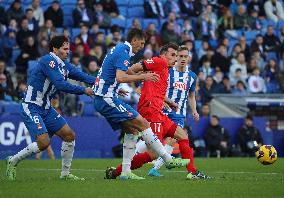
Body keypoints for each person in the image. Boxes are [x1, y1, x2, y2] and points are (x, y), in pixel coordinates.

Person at [93, 29, 189, 180]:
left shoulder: (163, 68)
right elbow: (125, 73)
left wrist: (167, 100)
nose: (142, 47)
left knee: (135, 130)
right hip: (136, 105)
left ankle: (125, 172)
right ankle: (167, 160)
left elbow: (125, 74)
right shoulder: (148, 58)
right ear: (134, 40)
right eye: (173, 55)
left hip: (148, 106)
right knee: (146, 135)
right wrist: (144, 76)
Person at [6, 35, 96, 181]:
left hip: (46, 107)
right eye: (65, 49)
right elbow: (60, 84)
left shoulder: (63, 64)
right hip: (31, 106)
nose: (68, 52)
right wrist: (84, 90)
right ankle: (13, 161)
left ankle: (65, 174)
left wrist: (105, 83)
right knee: (44, 143)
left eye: (69, 49)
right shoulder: (48, 61)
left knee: (69, 135)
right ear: (55, 49)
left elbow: (83, 76)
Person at [144, 46, 211, 179]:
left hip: (179, 113)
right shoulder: (167, 72)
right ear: (176, 57)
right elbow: (156, 89)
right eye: (180, 56)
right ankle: (138, 160)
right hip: (162, 111)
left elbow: (191, 96)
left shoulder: (192, 76)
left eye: (185, 56)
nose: (182, 59)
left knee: (175, 138)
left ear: (189, 58)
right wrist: (162, 100)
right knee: (154, 141)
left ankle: (156, 167)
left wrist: (195, 110)